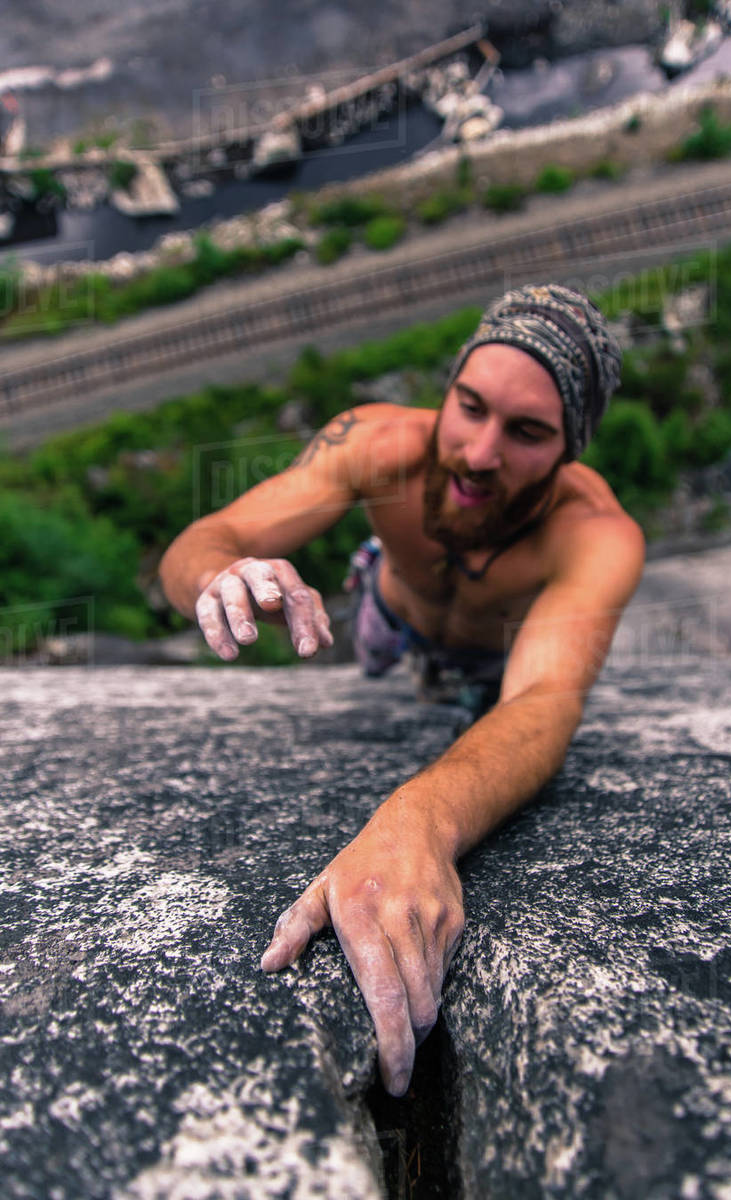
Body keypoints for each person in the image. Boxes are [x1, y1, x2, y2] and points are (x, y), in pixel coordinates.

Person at [158, 283, 646, 1098]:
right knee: (371, 641)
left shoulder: (596, 536)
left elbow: (544, 699)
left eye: (526, 432)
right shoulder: (378, 444)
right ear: (447, 392)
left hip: (494, 662)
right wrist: (223, 575)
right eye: (469, 406)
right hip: (390, 610)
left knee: (481, 701)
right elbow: (206, 539)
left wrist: (418, 819)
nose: (480, 453)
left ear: (569, 450)